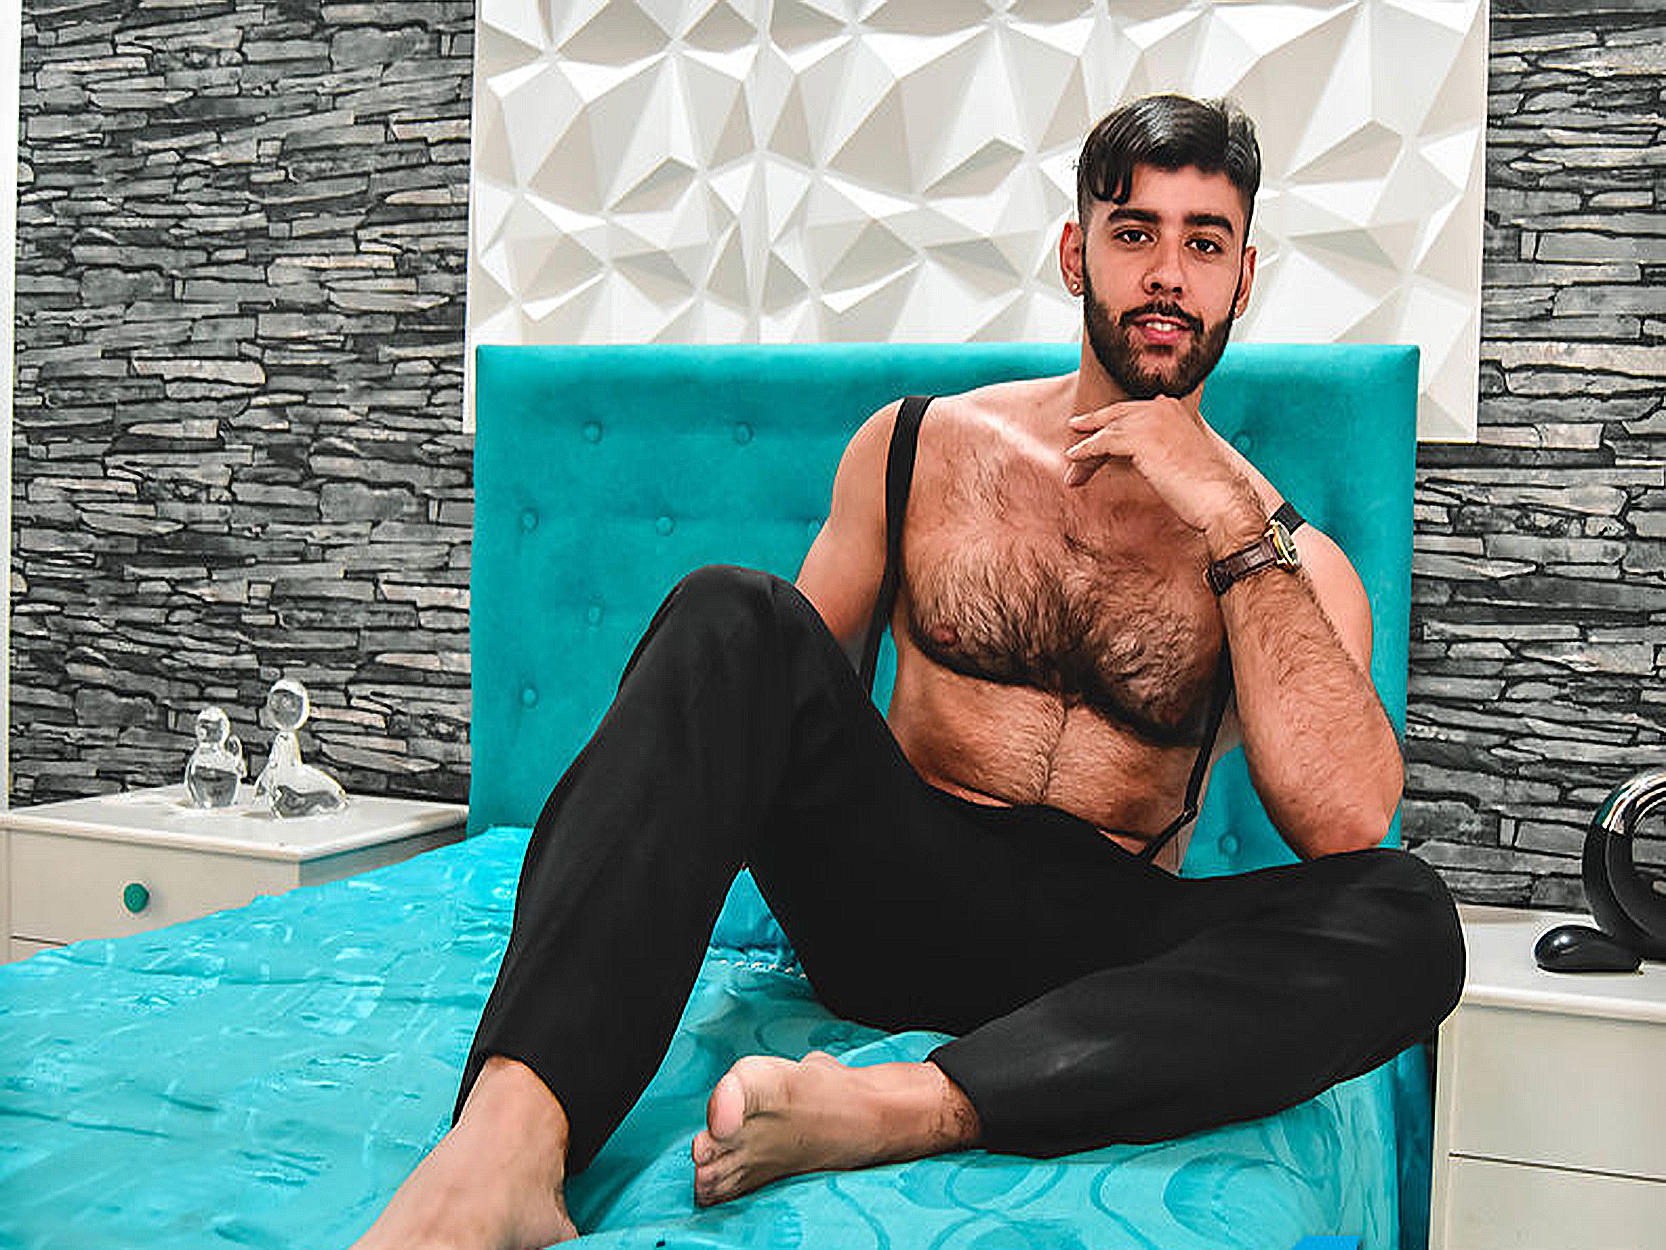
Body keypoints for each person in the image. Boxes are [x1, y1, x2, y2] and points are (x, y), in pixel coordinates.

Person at [353, 93, 1465, 1249]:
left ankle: (908, 1104)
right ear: (1074, 253)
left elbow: (1346, 821)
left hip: (1097, 950)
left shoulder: (1284, 556)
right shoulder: (916, 446)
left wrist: (1228, 513)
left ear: (1243, 278)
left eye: (1205, 242)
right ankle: (507, 1143)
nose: (1166, 274)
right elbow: (763, 716)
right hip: (887, 897)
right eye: (1134, 232)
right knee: (730, 610)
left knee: (1409, 914)